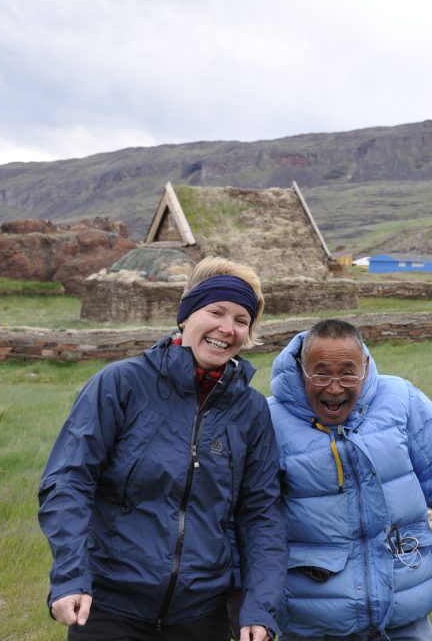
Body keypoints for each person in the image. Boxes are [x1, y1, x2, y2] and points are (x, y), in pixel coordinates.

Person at [38, 256, 287, 641]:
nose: (228, 328)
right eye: (217, 311)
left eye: (241, 320)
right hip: (109, 606)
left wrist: (259, 606)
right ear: (186, 314)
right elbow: (68, 481)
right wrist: (71, 576)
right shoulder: (121, 385)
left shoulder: (251, 410)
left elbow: (261, 514)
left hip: (202, 613)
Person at [267, 319, 432, 640]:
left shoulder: (401, 400)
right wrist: (240, 592)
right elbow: (248, 514)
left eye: (347, 372)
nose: (334, 387)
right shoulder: (271, 420)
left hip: (405, 602)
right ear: (302, 369)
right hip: (314, 617)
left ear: (366, 365)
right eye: (321, 372)